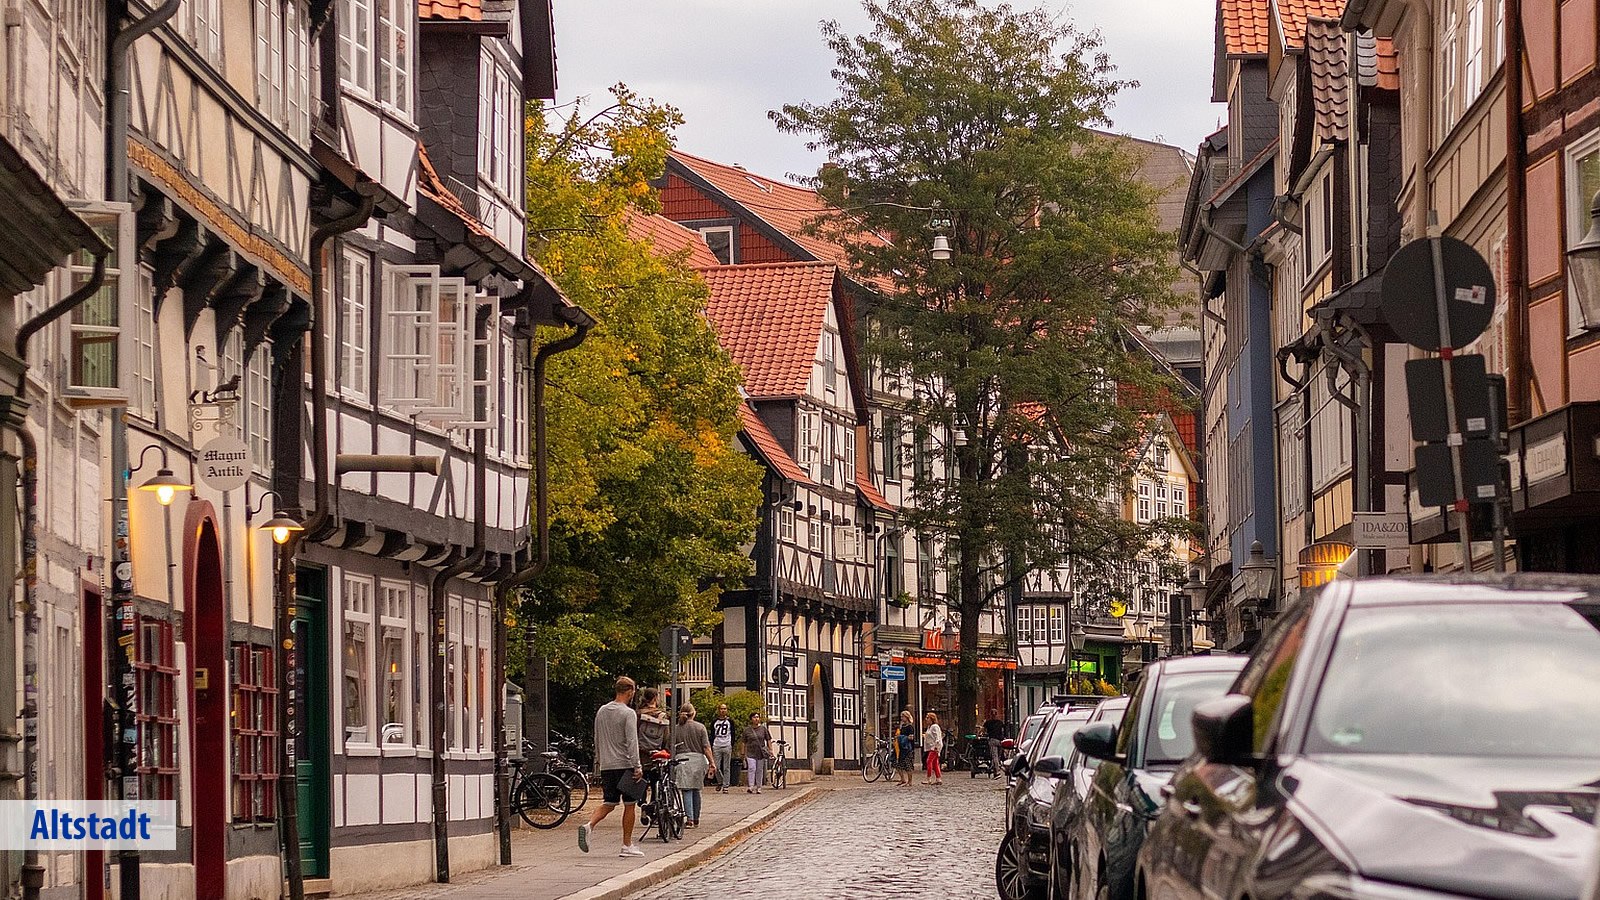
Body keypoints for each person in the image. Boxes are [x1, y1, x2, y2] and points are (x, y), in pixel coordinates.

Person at [578, 676, 644, 858]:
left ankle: (589, 825)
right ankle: (627, 844)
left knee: (609, 802)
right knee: (630, 805)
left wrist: (599, 761)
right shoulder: (628, 713)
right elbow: (632, 741)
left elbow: (597, 737)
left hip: (607, 764)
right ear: (630, 691)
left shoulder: (602, 711)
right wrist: (637, 766)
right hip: (625, 764)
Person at [672, 703, 715, 827]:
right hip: (698, 760)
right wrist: (712, 762)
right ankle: (696, 818)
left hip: (682, 760)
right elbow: (706, 747)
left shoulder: (676, 728)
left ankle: (689, 818)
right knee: (696, 789)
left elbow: (671, 746)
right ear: (693, 713)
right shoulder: (700, 727)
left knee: (686, 789)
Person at [636, 687, 670, 768]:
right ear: (655, 698)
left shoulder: (638, 715)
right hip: (657, 756)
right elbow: (666, 737)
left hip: (641, 755)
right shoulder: (663, 716)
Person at [742, 712, 773, 794]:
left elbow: (768, 739)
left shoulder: (763, 729)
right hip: (750, 752)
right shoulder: (747, 730)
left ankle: (759, 787)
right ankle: (751, 786)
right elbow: (744, 742)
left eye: (757, 717)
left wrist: (770, 750)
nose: (756, 719)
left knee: (759, 770)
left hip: (760, 753)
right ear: (751, 719)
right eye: (754, 717)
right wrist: (743, 753)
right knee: (752, 768)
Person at [710, 703, 735, 793]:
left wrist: (731, 744)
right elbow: (712, 734)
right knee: (716, 767)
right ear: (718, 710)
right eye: (721, 709)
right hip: (717, 745)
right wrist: (711, 744)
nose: (723, 710)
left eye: (724, 709)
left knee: (726, 767)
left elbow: (733, 733)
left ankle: (726, 785)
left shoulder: (730, 722)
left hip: (727, 744)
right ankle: (720, 781)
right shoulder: (714, 722)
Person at [893, 710, 916, 786]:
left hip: (907, 748)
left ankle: (910, 781)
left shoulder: (910, 727)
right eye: (901, 717)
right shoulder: (902, 726)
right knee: (897, 764)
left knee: (908, 765)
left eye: (903, 716)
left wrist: (902, 737)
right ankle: (902, 779)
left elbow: (911, 737)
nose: (901, 718)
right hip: (900, 748)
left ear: (907, 717)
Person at [922, 712, 944, 785]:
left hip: (934, 747)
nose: (926, 719)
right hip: (931, 746)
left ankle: (929, 778)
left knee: (929, 761)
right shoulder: (929, 727)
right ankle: (938, 779)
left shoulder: (935, 726)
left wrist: (936, 746)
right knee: (935, 763)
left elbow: (937, 736)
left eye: (928, 718)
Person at [984, 709, 1007, 779]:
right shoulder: (1000, 723)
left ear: (990, 715)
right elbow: (1003, 731)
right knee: (999, 756)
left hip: (993, 740)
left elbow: (983, 731)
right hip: (1000, 741)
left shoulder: (988, 723)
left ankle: (997, 771)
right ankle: (998, 767)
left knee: (995, 756)